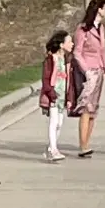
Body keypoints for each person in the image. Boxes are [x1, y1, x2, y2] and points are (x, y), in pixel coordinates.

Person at [68, 0, 105, 156]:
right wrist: (86, 71)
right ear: (98, 9)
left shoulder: (100, 28)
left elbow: (102, 51)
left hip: (99, 72)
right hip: (88, 73)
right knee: (86, 108)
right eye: (104, 7)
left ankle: (87, 142)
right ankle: (83, 145)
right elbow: (77, 53)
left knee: (93, 109)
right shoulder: (83, 29)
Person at [38, 25, 73, 161]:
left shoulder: (67, 61)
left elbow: (69, 81)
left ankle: (51, 148)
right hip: (53, 96)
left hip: (62, 97)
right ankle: (53, 149)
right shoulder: (51, 60)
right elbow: (46, 79)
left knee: (59, 123)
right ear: (61, 44)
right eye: (69, 41)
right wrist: (50, 93)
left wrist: (69, 97)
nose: (72, 44)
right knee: (54, 123)